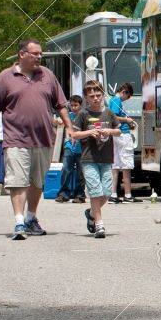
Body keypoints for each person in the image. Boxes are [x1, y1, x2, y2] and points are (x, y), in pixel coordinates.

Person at [0, 39, 76, 240]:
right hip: (16, 139)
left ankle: (31, 217)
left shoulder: (47, 76)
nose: (39, 57)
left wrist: (69, 126)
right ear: (22, 54)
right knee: (18, 181)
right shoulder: (5, 77)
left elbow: (60, 104)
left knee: (37, 182)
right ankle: (19, 222)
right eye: (35, 53)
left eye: (40, 54)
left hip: (43, 139)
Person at [69, 80, 116, 239]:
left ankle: (90, 213)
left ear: (103, 95)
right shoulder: (83, 114)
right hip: (89, 158)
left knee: (107, 192)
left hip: (106, 158)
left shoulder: (108, 112)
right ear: (86, 98)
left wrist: (109, 131)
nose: (95, 98)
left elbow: (119, 131)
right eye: (91, 96)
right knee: (95, 191)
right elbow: (74, 135)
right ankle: (99, 224)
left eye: (98, 95)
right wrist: (89, 133)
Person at [107, 82, 137, 203]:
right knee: (126, 165)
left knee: (115, 165)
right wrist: (127, 120)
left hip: (115, 135)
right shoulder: (117, 100)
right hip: (122, 135)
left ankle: (113, 194)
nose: (126, 99)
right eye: (128, 96)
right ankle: (128, 195)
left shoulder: (114, 100)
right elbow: (113, 117)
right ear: (125, 92)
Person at [54, 95, 85, 203]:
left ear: (81, 105)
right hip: (69, 146)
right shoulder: (68, 116)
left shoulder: (84, 116)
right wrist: (57, 121)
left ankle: (80, 194)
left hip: (81, 148)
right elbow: (57, 121)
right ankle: (63, 194)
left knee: (81, 172)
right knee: (66, 170)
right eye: (71, 105)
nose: (73, 107)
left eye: (76, 105)